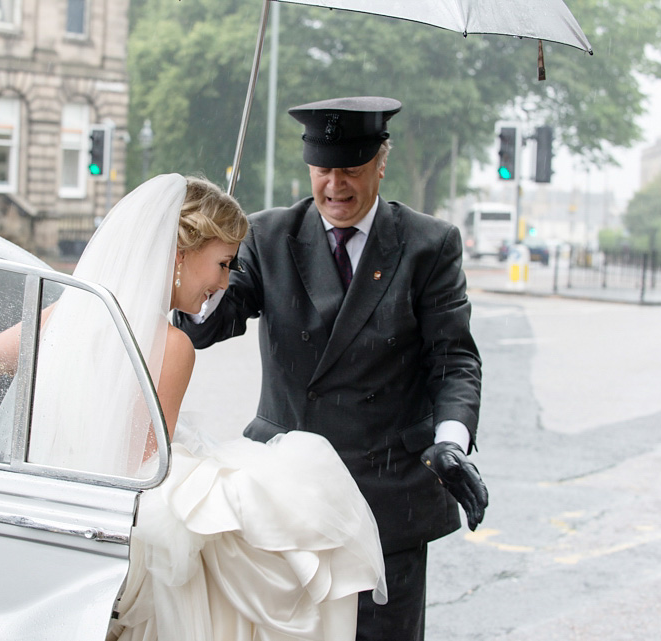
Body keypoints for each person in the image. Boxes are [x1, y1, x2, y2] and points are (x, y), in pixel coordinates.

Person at [0, 174, 387, 640]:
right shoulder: (172, 346)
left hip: (53, 508)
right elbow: (148, 468)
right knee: (298, 510)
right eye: (223, 264)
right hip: (119, 525)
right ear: (180, 255)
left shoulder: (71, 314)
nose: (225, 283)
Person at [173, 97, 489, 641]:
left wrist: (452, 439)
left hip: (388, 498)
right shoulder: (267, 235)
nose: (336, 186)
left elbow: (454, 358)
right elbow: (209, 323)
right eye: (324, 170)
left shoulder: (428, 245)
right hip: (288, 499)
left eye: (352, 170)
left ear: (381, 163)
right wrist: (199, 257)